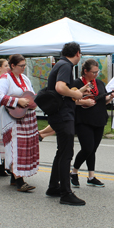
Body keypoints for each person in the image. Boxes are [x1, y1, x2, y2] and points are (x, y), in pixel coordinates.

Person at [45, 42, 89, 206]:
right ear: (77, 53)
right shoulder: (65, 65)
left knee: (61, 151)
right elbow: (60, 88)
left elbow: (62, 94)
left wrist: (77, 96)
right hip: (63, 116)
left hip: (59, 114)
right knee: (66, 154)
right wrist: (76, 93)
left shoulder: (60, 64)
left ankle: (53, 186)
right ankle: (66, 193)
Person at [0, 54, 39, 192]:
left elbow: (31, 93)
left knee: (25, 147)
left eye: (25, 65)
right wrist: (17, 101)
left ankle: (15, 176)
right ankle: (19, 180)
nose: (24, 68)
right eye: (21, 65)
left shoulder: (24, 78)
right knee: (16, 147)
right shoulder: (5, 78)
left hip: (25, 117)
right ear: (12, 66)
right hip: (12, 117)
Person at [70, 59, 114, 188]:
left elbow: (102, 101)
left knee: (93, 150)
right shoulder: (76, 83)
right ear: (85, 71)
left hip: (99, 119)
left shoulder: (99, 83)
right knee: (87, 148)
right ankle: (74, 172)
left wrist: (110, 97)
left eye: (97, 72)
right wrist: (83, 102)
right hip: (83, 120)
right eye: (94, 72)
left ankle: (91, 176)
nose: (96, 74)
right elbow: (70, 100)